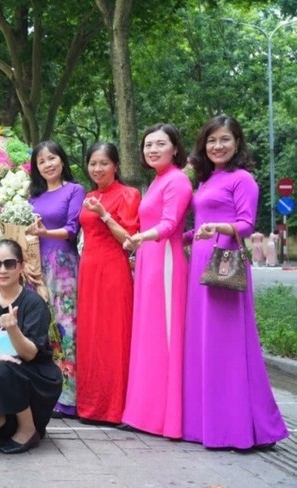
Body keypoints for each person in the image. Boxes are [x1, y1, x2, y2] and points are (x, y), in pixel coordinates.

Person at [182, 115, 288, 449]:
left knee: (227, 347)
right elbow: (200, 223)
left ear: (237, 143)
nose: (218, 146)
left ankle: (240, 428)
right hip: (200, 264)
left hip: (224, 265)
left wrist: (218, 228)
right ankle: (208, 426)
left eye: (225, 139)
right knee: (205, 345)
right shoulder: (207, 180)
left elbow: (245, 224)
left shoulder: (243, 179)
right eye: (212, 140)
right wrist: (175, 238)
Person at [121, 124, 192, 437]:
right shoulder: (158, 180)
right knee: (148, 335)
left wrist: (140, 238)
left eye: (160, 144)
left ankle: (165, 417)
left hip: (165, 262)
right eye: (148, 145)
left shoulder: (177, 179)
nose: (152, 150)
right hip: (150, 262)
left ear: (175, 148)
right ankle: (145, 412)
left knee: (163, 338)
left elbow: (169, 224)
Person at [0, 240, 62, 454]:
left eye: (9, 263)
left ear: (21, 266)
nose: (2, 270)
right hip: (3, 375)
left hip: (37, 378)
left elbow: (29, 353)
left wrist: (13, 329)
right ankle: (5, 420)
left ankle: (28, 430)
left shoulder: (33, 303)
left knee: (6, 371)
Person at [76, 142, 140, 424]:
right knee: (90, 336)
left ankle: (117, 408)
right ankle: (91, 406)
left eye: (104, 163)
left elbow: (129, 238)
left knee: (115, 335)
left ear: (115, 166)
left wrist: (104, 214)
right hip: (88, 270)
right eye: (93, 163)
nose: (97, 169)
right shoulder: (88, 195)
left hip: (114, 269)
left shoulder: (129, 194)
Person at [26, 140, 85, 419]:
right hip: (36, 269)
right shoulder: (32, 198)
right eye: (42, 161)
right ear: (36, 168)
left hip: (63, 267)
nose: (48, 164)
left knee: (66, 327)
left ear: (62, 160)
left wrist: (43, 234)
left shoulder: (74, 190)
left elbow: (72, 229)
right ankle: (43, 391)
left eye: (52, 158)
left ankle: (70, 397)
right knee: (41, 329)